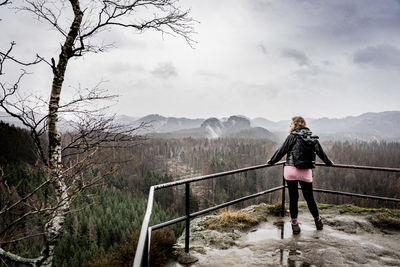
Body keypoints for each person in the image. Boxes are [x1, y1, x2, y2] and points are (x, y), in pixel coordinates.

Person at [267, 116, 333, 234]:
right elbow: (321, 153)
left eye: (291, 123)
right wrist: (328, 162)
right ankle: (318, 221)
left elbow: (281, 151)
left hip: (291, 171)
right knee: (309, 198)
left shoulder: (292, 137)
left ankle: (294, 225)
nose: (290, 125)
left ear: (295, 124)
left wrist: (272, 161)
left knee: (293, 198)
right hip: (305, 172)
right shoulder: (312, 138)